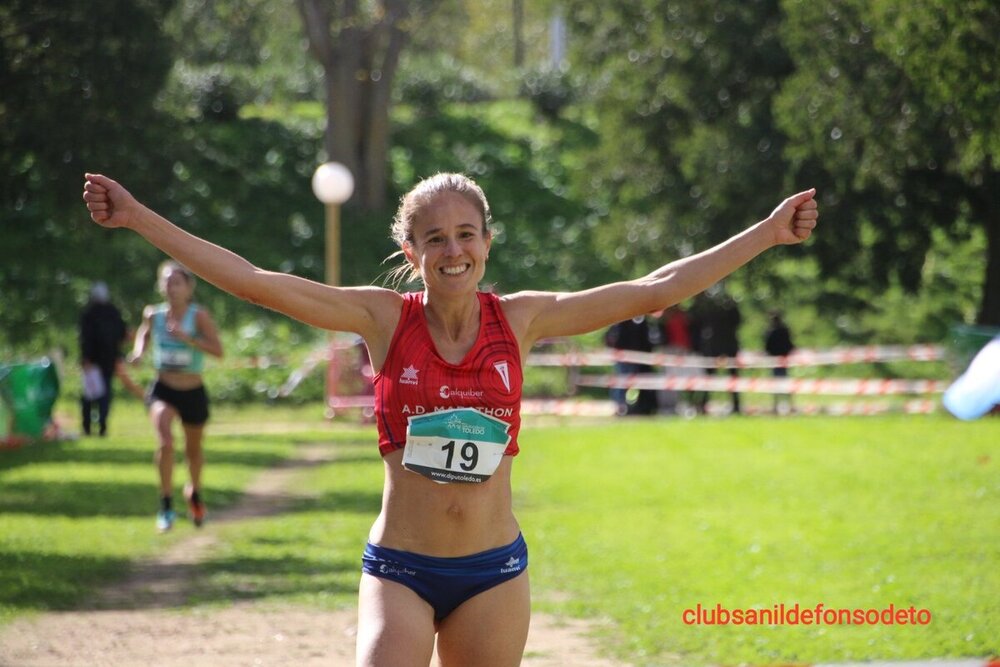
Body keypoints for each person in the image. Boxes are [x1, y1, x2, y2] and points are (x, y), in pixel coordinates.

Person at [83, 171, 818, 666]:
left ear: (487, 242)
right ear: (412, 252)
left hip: (494, 572)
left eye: (466, 234)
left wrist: (767, 233)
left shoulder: (522, 320)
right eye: (435, 238)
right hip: (401, 567)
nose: (453, 249)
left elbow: (658, 288)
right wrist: (139, 216)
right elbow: (254, 282)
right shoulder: (382, 318)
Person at [128, 260, 224, 532]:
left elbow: (218, 351)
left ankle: (194, 494)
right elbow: (144, 333)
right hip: (163, 389)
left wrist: (189, 339)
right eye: (167, 282)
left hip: (193, 390)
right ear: (161, 286)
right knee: (166, 442)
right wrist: (138, 352)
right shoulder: (154, 315)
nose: (172, 287)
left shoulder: (199, 316)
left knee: (193, 452)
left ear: (188, 288)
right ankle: (166, 505)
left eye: (177, 282)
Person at [79, 281, 127, 436]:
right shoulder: (112, 313)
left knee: (92, 395)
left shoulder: (90, 314)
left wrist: (86, 358)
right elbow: (122, 335)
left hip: (94, 362)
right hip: (104, 361)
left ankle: (92, 426)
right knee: (100, 395)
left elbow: (84, 339)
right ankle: (99, 426)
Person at [690, 288, 743, 415]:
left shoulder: (710, 307)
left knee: (713, 376)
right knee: (721, 376)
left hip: (716, 345)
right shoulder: (727, 305)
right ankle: (732, 404)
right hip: (723, 345)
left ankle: (704, 403)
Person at [604, 315, 657, 416]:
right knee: (621, 381)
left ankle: (626, 405)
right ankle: (619, 406)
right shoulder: (622, 322)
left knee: (630, 382)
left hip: (634, 357)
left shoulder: (636, 321)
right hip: (624, 356)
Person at [763, 310, 795, 414]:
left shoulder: (770, 331)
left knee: (778, 384)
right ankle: (789, 405)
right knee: (784, 383)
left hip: (776, 360)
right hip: (782, 360)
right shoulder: (784, 330)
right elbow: (790, 345)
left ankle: (777, 406)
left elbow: (767, 347)